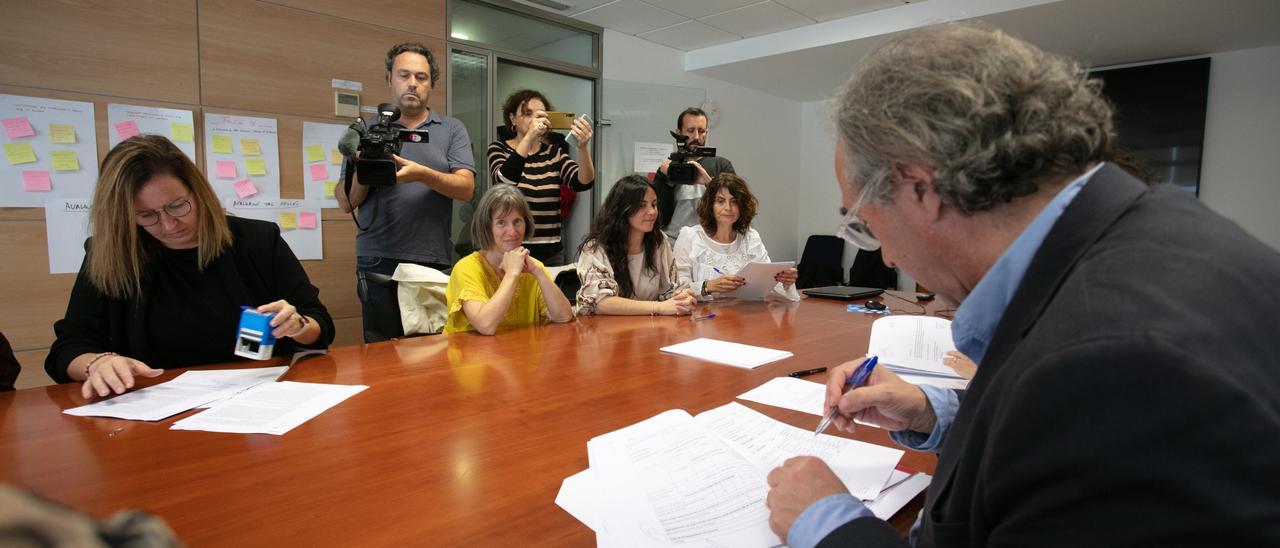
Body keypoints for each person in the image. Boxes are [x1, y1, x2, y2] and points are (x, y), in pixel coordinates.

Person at [765, 23, 1280, 547]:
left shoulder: (1114, 365)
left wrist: (828, 523)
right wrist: (932, 410)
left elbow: (1074, 413)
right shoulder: (1146, 230)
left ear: (921, 187)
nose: (889, 255)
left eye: (865, 224)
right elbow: (1053, 441)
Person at [46, 136, 335, 400]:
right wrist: (96, 363)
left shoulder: (257, 241)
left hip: (257, 400)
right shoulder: (108, 254)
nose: (169, 225)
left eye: (177, 206)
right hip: (153, 407)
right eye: (146, 215)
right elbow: (67, 348)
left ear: (198, 192)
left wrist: (298, 326)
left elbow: (319, 325)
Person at [336, 42, 476, 342]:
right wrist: (366, 166)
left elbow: (466, 189)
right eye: (404, 75)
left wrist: (423, 175)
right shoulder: (365, 129)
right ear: (390, 79)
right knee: (381, 350)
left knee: (435, 350)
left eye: (421, 77)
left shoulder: (451, 129)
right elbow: (345, 203)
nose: (412, 83)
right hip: (377, 258)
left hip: (432, 256)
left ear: (431, 84)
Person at [444, 186, 574, 335]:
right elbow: (486, 325)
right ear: (486, 226)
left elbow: (564, 317)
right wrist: (512, 274)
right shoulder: (466, 268)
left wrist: (538, 272)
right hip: (470, 356)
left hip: (518, 353)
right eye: (501, 222)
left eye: (517, 221)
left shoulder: (533, 267)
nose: (512, 232)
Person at [488, 89, 595, 266]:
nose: (535, 120)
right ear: (513, 118)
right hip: (512, 247)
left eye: (540, 115)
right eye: (528, 114)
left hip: (550, 251)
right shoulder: (499, 149)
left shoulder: (554, 153)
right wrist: (530, 136)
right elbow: (505, 181)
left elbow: (583, 182)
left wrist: (583, 148)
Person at [576, 175, 697, 316]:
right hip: (606, 330)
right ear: (622, 209)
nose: (652, 212)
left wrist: (682, 297)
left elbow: (671, 289)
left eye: (654, 204)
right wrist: (658, 307)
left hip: (649, 327)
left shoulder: (659, 242)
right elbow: (600, 302)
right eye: (641, 205)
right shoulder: (596, 247)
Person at [672, 173, 799, 301]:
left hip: (745, 316)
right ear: (710, 205)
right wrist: (708, 286)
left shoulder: (750, 238)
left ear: (741, 207)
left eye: (734, 202)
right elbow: (677, 291)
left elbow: (768, 288)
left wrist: (785, 281)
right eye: (721, 201)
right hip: (703, 317)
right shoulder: (690, 237)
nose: (728, 208)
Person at [653, 107, 735, 241]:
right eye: (690, 130)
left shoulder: (722, 165)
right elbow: (656, 216)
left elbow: (736, 204)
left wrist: (709, 182)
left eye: (701, 131)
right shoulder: (667, 168)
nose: (696, 136)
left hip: (711, 242)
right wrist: (665, 178)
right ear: (679, 133)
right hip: (673, 243)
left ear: (706, 132)